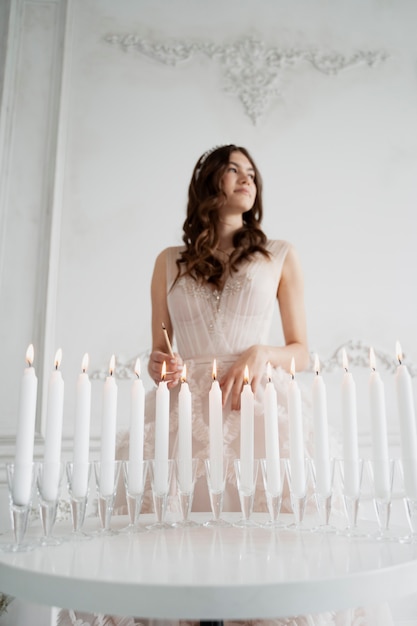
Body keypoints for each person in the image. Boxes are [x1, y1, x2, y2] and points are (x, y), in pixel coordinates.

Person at [59, 145, 394, 626]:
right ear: (208, 182)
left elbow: (300, 351)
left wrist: (262, 353)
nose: (246, 177)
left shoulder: (279, 255)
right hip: (182, 416)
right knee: (174, 548)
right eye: (234, 169)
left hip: (254, 407)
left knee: (264, 546)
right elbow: (161, 351)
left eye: (252, 172)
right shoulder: (168, 260)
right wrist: (163, 365)